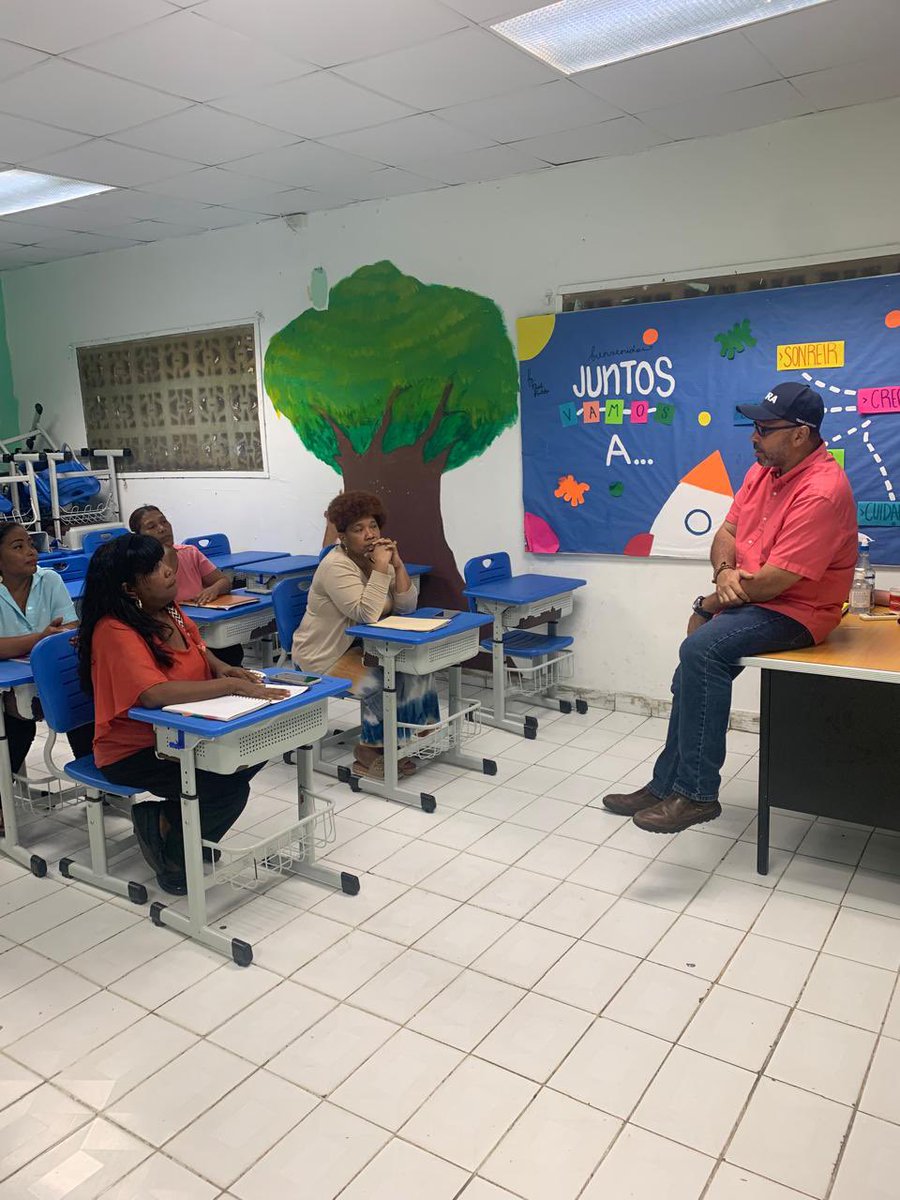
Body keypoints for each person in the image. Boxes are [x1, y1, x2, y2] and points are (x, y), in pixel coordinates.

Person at [604, 381, 857, 834]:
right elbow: (725, 534)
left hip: (798, 611)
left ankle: (697, 794)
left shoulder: (822, 490)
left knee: (701, 651)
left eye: (764, 427)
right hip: (753, 598)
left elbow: (776, 582)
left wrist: (707, 603)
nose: (753, 436)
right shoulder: (764, 471)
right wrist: (723, 572)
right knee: (692, 668)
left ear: (800, 434)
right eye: (755, 426)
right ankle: (665, 785)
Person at [77, 533, 288, 894]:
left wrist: (223, 668)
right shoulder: (114, 629)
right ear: (130, 589)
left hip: (184, 734)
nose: (169, 571)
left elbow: (198, 648)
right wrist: (229, 687)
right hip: (135, 748)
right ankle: (174, 852)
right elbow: (153, 694)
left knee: (253, 749)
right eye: (156, 569)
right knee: (225, 787)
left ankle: (174, 825)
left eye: (164, 562)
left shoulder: (169, 610)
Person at [292, 490, 439, 779]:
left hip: (359, 647)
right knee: (381, 680)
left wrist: (397, 565)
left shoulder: (372, 560)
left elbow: (407, 606)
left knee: (416, 667)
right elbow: (367, 614)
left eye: (373, 526)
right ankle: (369, 750)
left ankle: (410, 741)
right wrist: (381, 570)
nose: (370, 535)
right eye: (359, 530)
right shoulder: (336, 566)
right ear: (343, 536)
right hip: (325, 655)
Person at [0, 523, 93, 832]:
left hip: (48, 676)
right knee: (18, 729)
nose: (30, 551)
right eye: (18, 546)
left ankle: (98, 783)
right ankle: (1, 800)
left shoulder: (49, 579)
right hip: (9, 685)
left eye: (30, 543)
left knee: (82, 711)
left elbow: (70, 631)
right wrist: (41, 639)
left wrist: (41, 643)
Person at [128, 505, 245, 666]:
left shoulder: (189, 553)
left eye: (164, 522)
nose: (162, 529)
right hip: (169, 632)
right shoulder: (141, 568)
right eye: (151, 526)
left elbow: (224, 581)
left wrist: (213, 589)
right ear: (139, 536)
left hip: (202, 626)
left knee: (231, 650)